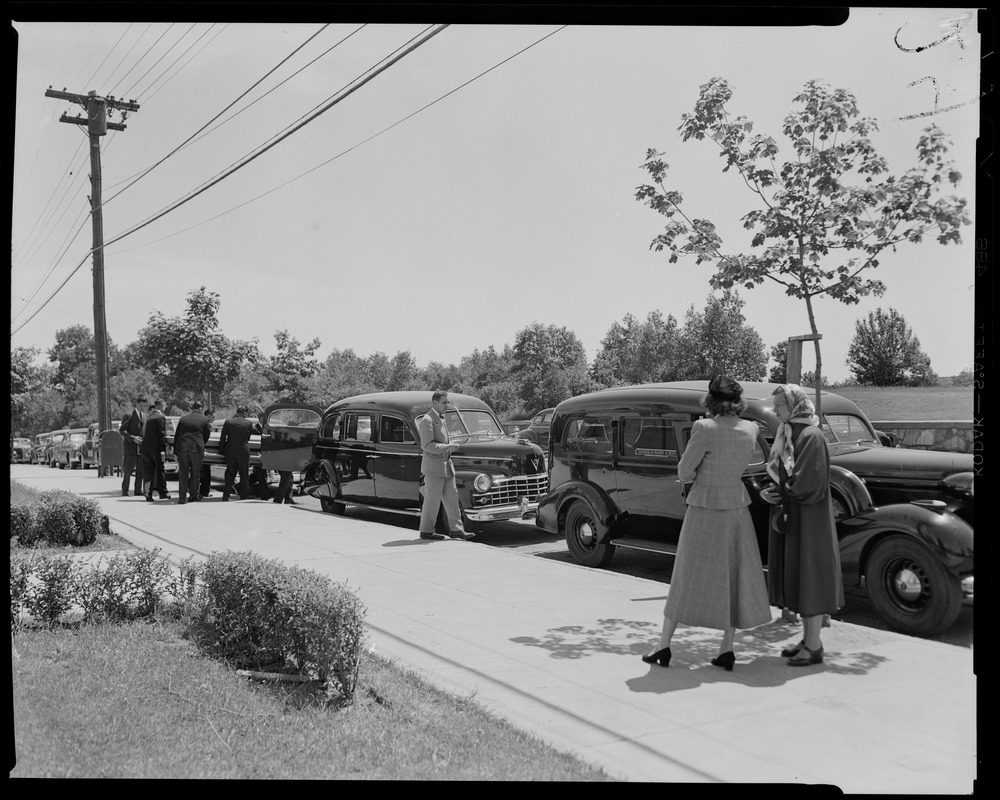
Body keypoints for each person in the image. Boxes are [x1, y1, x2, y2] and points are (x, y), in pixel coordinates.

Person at [643, 375, 772, 671]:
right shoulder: (751, 428)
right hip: (737, 508)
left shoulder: (704, 428)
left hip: (704, 508)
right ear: (738, 402)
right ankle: (726, 649)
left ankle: (663, 644)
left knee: (685, 576)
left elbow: (685, 471)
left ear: (710, 400)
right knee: (733, 575)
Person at [759, 383, 844, 667]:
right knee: (800, 577)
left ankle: (815, 645)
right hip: (796, 515)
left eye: (779, 406)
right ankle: (808, 641)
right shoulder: (791, 433)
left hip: (810, 519)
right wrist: (771, 490)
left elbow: (809, 482)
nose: (775, 411)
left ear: (794, 406)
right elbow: (785, 474)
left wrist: (780, 493)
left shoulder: (810, 435)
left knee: (810, 578)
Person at [416, 391, 475, 541]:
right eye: (444, 402)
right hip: (434, 468)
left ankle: (456, 530)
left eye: (447, 402)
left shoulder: (440, 418)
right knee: (432, 501)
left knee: (452, 499)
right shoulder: (427, 420)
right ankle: (426, 531)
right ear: (434, 403)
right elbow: (427, 446)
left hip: (446, 467)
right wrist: (448, 447)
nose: (447, 405)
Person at [174, 401, 212, 504]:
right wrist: (201, 444)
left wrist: (175, 451)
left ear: (191, 408)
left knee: (183, 474)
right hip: (196, 448)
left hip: (183, 448)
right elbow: (207, 435)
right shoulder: (204, 420)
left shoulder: (183, 419)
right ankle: (193, 496)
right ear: (201, 409)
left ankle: (182, 498)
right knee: (195, 473)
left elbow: (177, 435)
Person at [219, 405, 254, 501]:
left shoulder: (228, 422)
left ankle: (226, 496)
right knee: (244, 474)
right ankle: (244, 495)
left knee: (230, 473)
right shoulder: (248, 423)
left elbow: (223, 438)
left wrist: (221, 450)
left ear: (237, 412)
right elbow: (248, 438)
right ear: (245, 413)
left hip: (230, 451)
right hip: (243, 450)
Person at [139, 399, 169, 502]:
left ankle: (148, 493)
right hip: (156, 449)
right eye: (165, 405)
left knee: (148, 472)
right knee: (160, 470)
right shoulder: (160, 417)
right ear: (161, 406)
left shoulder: (149, 417)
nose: (165, 407)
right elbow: (161, 435)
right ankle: (163, 492)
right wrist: (163, 451)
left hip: (146, 449)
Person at [119, 397, 146, 496]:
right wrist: (133, 438)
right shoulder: (129, 415)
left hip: (141, 448)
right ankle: (125, 490)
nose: (142, 407)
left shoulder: (145, 416)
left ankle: (138, 490)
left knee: (141, 471)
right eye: (140, 405)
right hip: (131, 448)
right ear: (136, 404)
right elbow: (122, 430)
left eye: (144, 405)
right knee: (128, 470)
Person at [199, 408, 215, 497]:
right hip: (203, 451)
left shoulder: (204, 424)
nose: (214, 418)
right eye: (214, 416)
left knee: (205, 472)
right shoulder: (205, 424)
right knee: (204, 473)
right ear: (208, 415)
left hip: (203, 451)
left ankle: (204, 491)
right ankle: (203, 491)